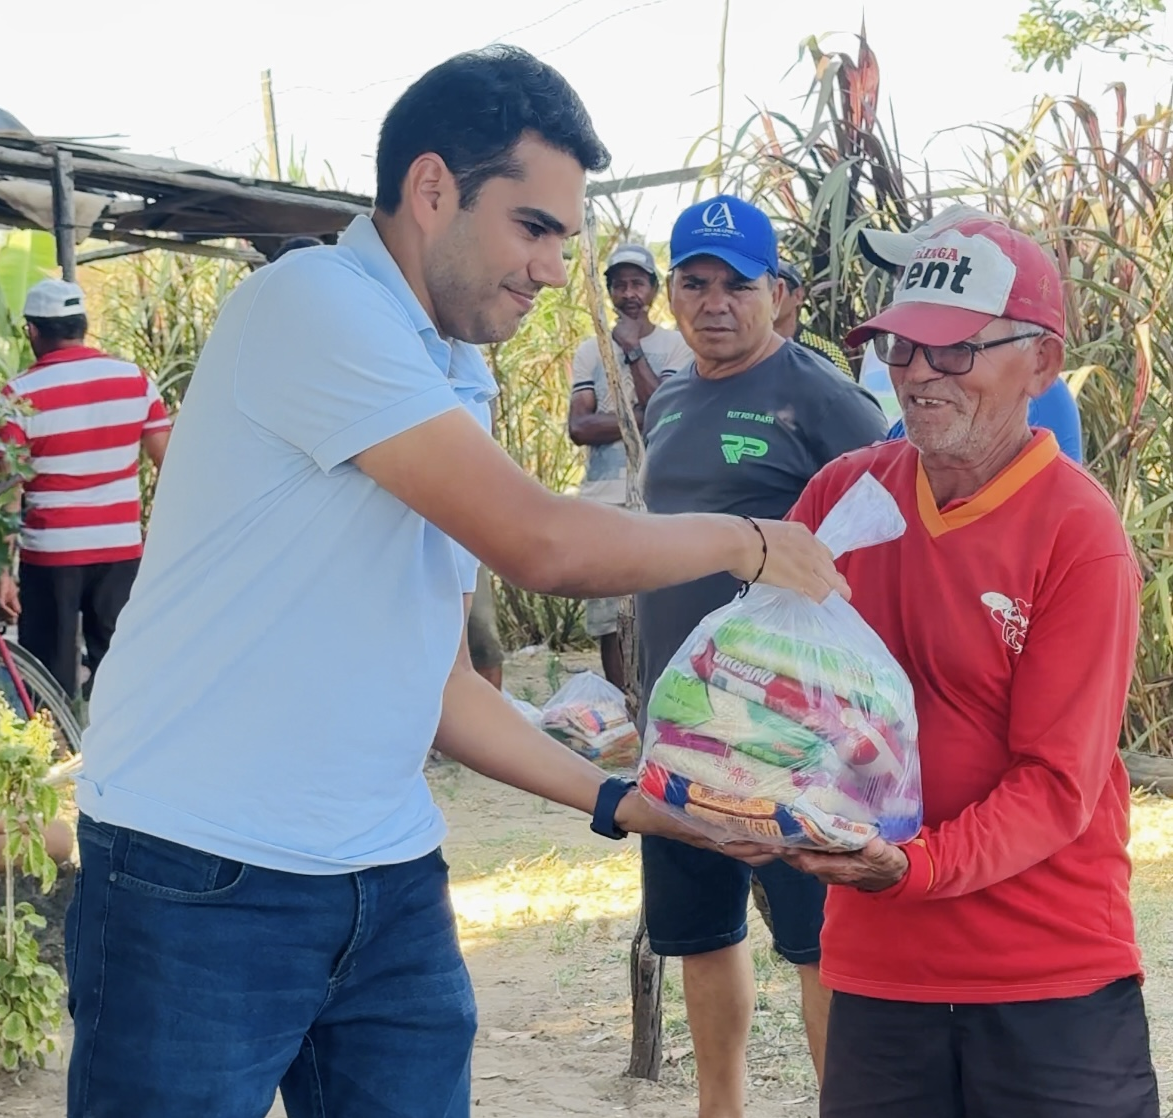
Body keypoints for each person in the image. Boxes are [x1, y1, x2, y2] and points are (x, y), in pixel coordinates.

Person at [64, 47, 848, 1118]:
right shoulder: (312, 305)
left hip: (388, 878)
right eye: (533, 228)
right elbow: (542, 544)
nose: (550, 269)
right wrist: (748, 540)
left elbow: (437, 682)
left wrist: (627, 802)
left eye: (563, 240)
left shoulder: (453, 368)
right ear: (433, 188)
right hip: (198, 869)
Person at [782, 215, 1156, 1118]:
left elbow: (1057, 784)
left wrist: (911, 868)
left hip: (1046, 972)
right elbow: (767, 677)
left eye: (953, 351)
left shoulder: (1078, 533)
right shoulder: (840, 497)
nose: (917, 373)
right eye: (903, 346)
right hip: (878, 970)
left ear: (1041, 363)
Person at [637, 195, 890, 1116]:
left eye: (736, 285)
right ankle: (722, 1108)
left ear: (777, 294)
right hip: (682, 727)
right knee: (700, 933)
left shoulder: (820, 396)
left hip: (789, 734)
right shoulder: (668, 395)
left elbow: (891, 525)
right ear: (670, 293)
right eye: (693, 282)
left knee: (819, 945)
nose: (713, 304)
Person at [0, 279, 170, 699]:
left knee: (49, 679)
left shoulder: (19, 396)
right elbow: (170, 463)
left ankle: (60, 739)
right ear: (83, 325)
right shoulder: (135, 380)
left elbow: (9, 491)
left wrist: (3, 570)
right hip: (120, 549)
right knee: (121, 672)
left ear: (33, 331)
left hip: (52, 555)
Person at [858, 207, 1084, 461]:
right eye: (901, 274)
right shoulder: (897, 361)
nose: (904, 285)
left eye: (956, 346)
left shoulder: (1033, 391)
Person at [568, 242, 691, 689]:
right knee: (610, 618)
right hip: (601, 499)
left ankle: (661, 705)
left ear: (655, 289)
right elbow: (579, 427)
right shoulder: (590, 351)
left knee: (662, 607)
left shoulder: (677, 346)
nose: (629, 294)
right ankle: (623, 710)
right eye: (619, 285)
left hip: (659, 494)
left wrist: (634, 351)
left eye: (637, 283)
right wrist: (638, 416)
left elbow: (665, 410)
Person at [772, 258, 853, 377]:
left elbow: (847, 388)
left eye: (776, 290)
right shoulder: (747, 347)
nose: (769, 298)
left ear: (798, 296)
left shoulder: (826, 354)